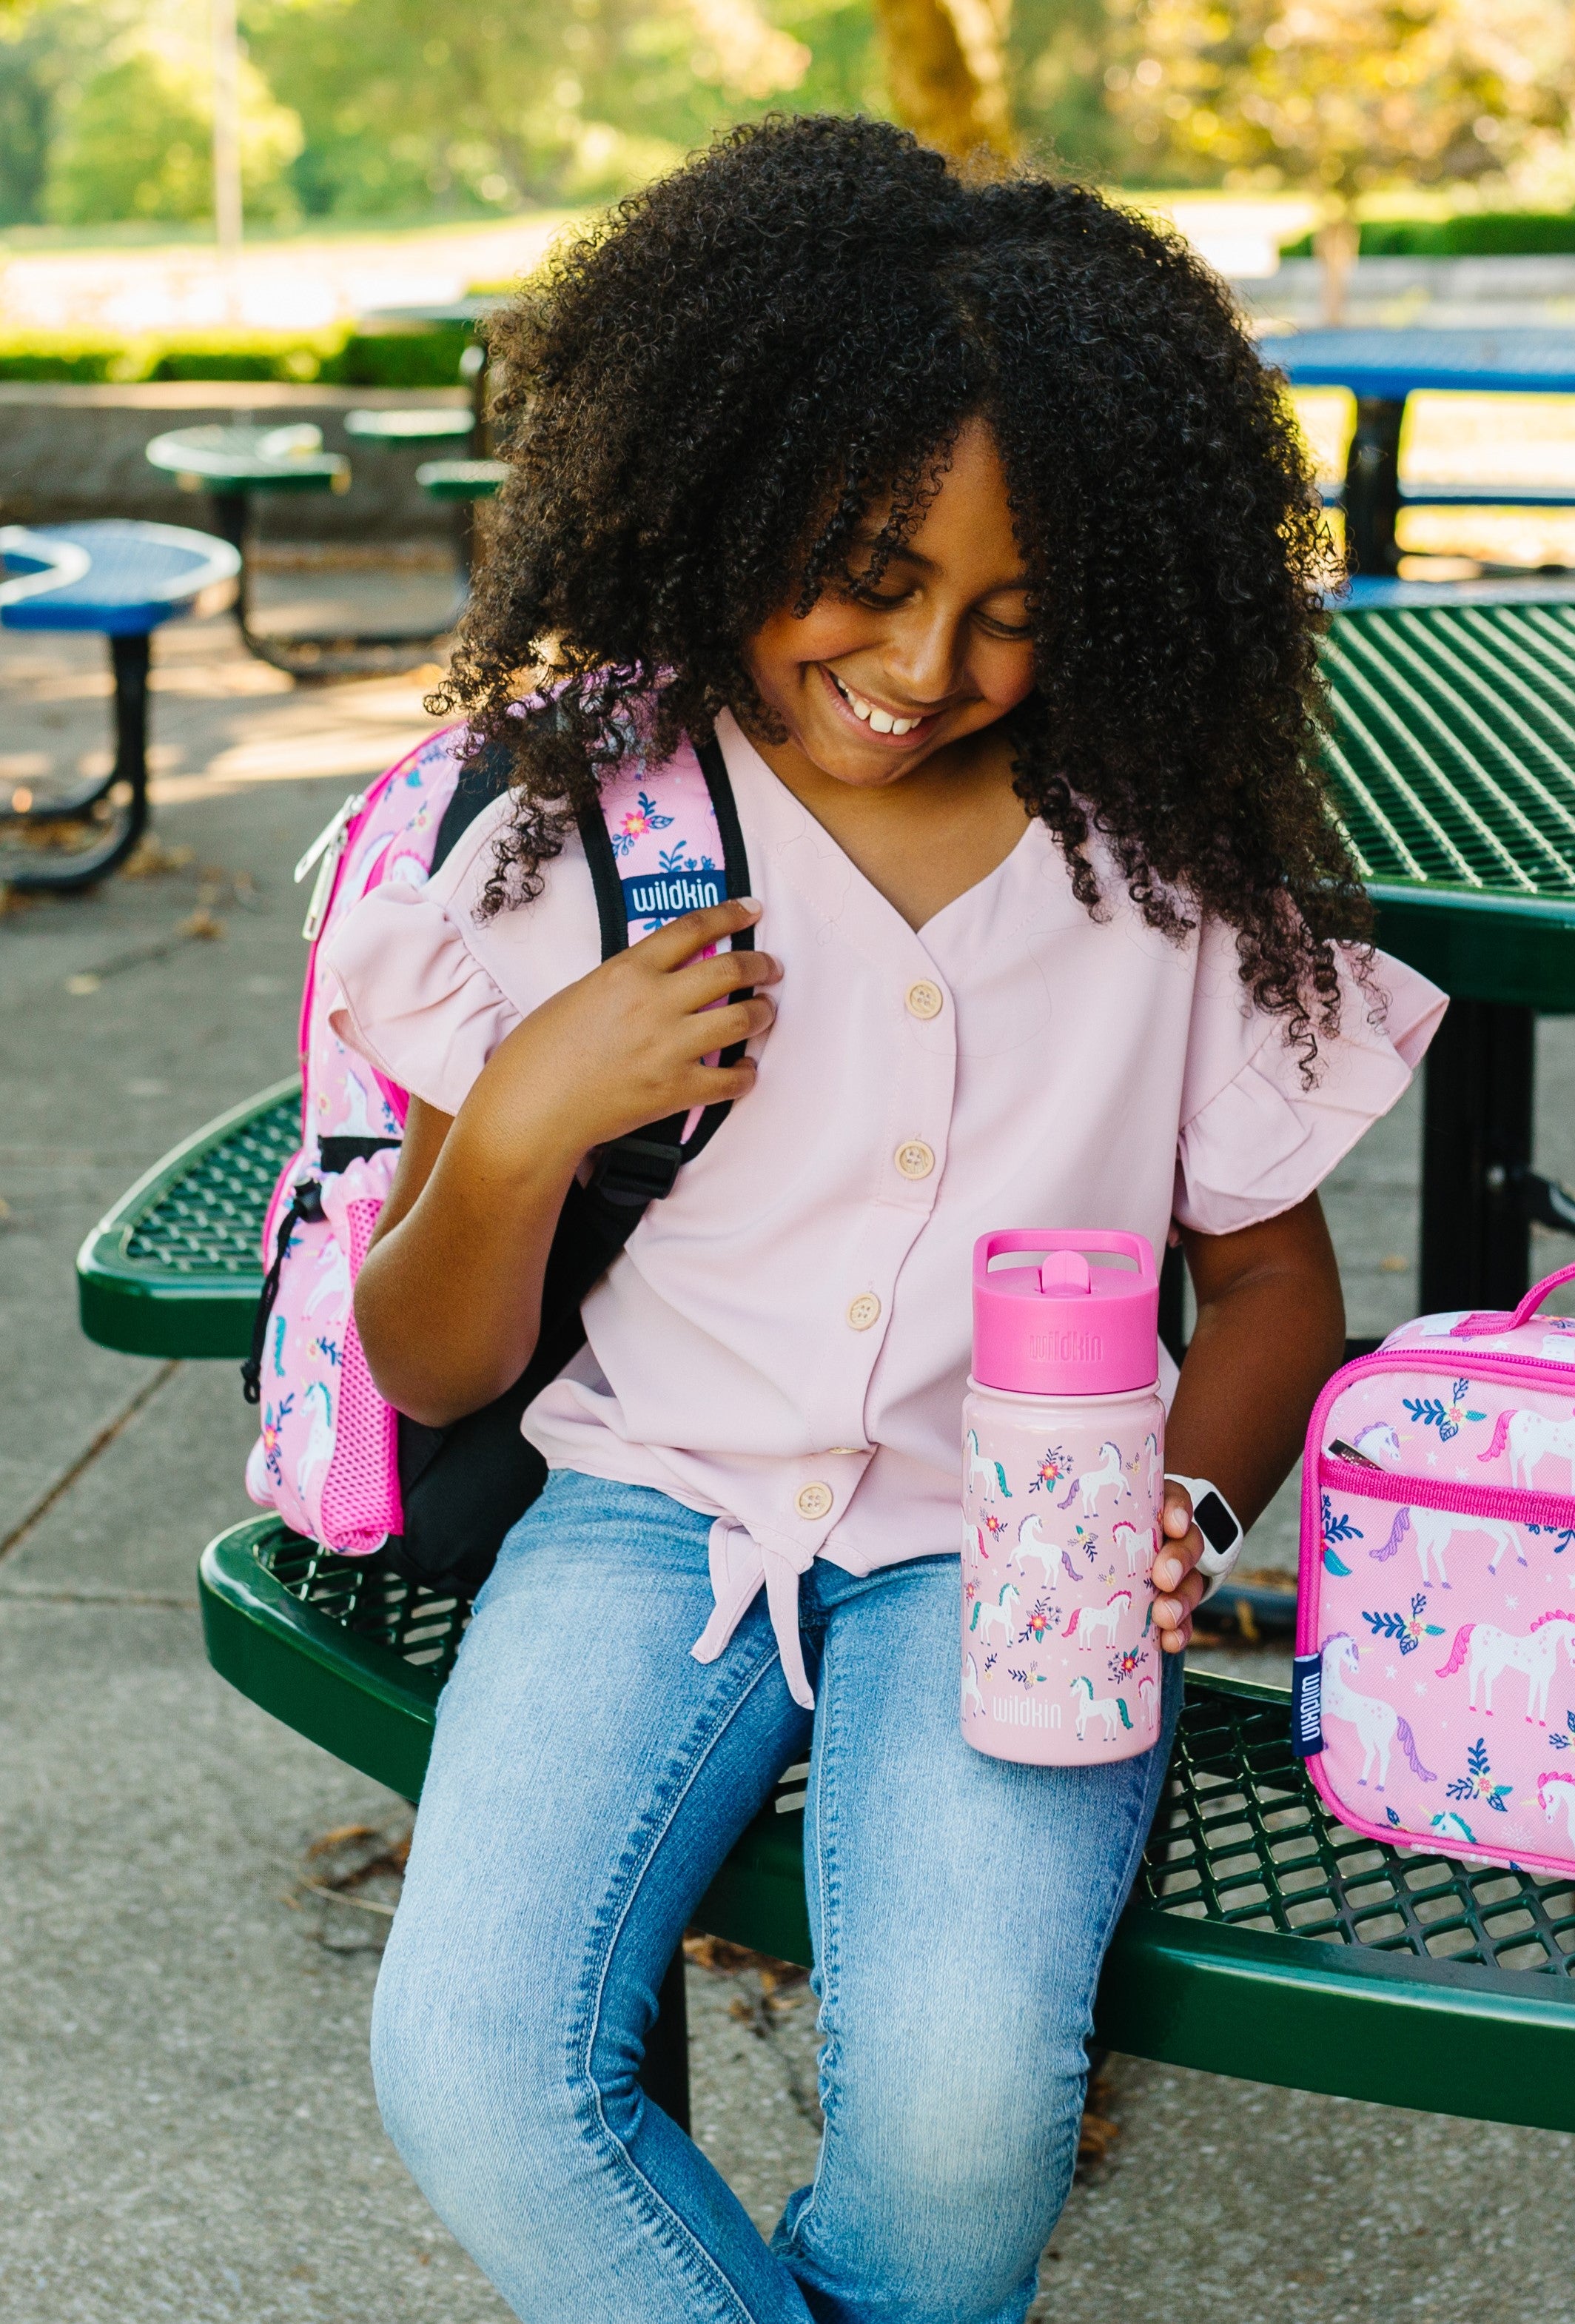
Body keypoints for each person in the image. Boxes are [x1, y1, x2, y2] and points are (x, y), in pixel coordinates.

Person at [335, 113, 1445, 2324]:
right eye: (864, 570)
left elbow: (1275, 1289)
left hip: (1007, 1549)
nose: (926, 662)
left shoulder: (1163, 873)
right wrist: (530, 1111)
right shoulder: (587, 836)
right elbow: (434, 1364)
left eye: (1013, 615)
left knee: (958, 2109)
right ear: (719, 497)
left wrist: (1192, 1497)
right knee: (471, 2062)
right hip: (644, 1508)